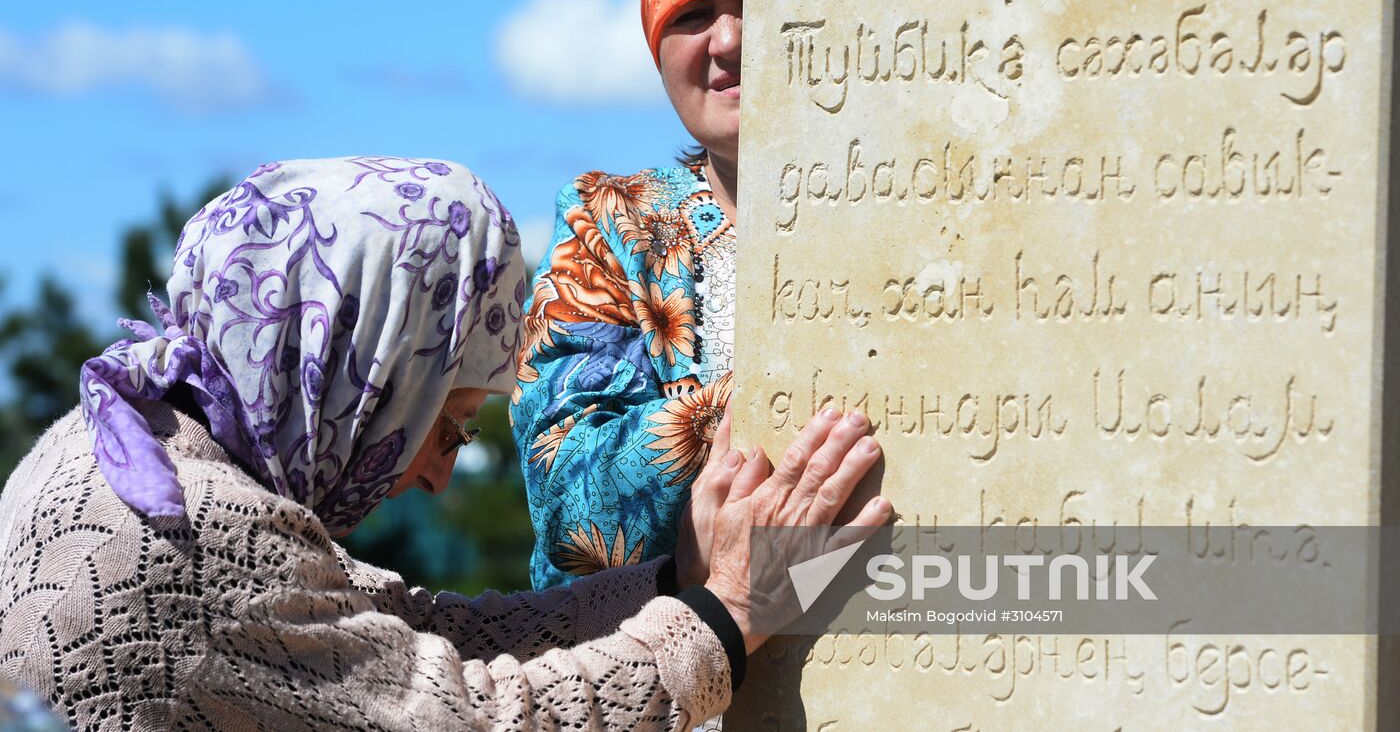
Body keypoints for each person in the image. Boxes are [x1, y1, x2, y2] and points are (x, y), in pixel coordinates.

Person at [0, 156, 889, 730]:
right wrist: (732, 611)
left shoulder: (134, 447)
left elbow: (411, 627)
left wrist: (673, 581)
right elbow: (472, 720)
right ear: (367, 369)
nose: (439, 473)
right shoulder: (186, 533)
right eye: (448, 419)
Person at [512, 0, 746, 590]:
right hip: (683, 679)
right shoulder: (611, 227)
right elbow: (570, 501)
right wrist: (760, 403)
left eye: (759, 3)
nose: (728, 40)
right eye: (693, 14)